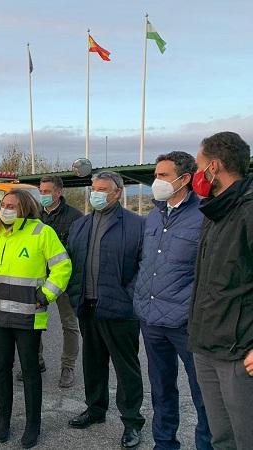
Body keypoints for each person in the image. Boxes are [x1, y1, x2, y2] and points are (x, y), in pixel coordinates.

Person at [0, 189, 72, 449]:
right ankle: (4, 419)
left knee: (30, 372)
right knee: (1, 368)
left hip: (29, 316)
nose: (5, 209)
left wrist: (45, 295)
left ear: (25, 208)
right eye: (3, 205)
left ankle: (33, 425)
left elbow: (63, 266)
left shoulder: (42, 233)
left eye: (11, 206)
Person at [133, 152, 212, 450]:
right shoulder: (154, 214)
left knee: (203, 392)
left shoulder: (205, 215)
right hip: (151, 320)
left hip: (186, 323)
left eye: (163, 176)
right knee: (162, 388)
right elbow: (145, 261)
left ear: (185, 179)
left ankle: (208, 444)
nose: (157, 181)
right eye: (156, 175)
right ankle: (164, 444)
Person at [66, 171, 145, 449]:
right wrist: (73, 293)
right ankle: (95, 409)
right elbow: (71, 263)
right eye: (94, 188)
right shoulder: (81, 225)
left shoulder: (136, 225)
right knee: (93, 363)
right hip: (87, 306)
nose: (96, 193)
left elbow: (144, 268)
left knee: (126, 369)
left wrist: (129, 297)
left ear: (117, 193)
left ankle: (132, 421)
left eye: (103, 189)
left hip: (120, 310)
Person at [188, 131, 253, 450]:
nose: (197, 175)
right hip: (207, 344)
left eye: (199, 166)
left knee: (246, 438)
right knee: (222, 438)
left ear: (213, 166)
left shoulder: (248, 210)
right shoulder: (215, 211)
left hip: (239, 352)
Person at [17, 175, 82, 388]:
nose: (43, 195)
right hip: (37, 279)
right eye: (41, 191)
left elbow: (78, 251)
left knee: (69, 324)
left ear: (58, 193)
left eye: (47, 191)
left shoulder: (74, 217)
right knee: (34, 323)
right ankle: (36, 360)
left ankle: (68, 367)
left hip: (63, 280)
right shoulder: (33, 216)